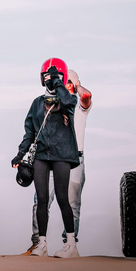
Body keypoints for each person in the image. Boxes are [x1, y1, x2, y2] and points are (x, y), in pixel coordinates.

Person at [12, 59, 81, 258]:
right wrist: (20, 154)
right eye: (47, 76)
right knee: (41, 200)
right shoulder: (37, 103)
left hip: (62, 154)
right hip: (41, 155)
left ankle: (71, 245)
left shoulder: (68, 100)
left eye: (53, 76)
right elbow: (29, 133)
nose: (49, 79)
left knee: (62, 199)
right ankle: (42, 244)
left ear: (62, 77)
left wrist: (58, 84)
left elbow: (69, 102)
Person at [27, 69, 92, 254]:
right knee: (40, 201)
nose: (61, 84)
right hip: (50, 155)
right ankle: (38, 242)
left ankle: (70, 243)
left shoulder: (76, 105)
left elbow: (86, 95)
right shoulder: (49, 104)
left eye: (67, 82)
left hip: (74, 157)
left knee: (71, 202)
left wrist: (76, 85)